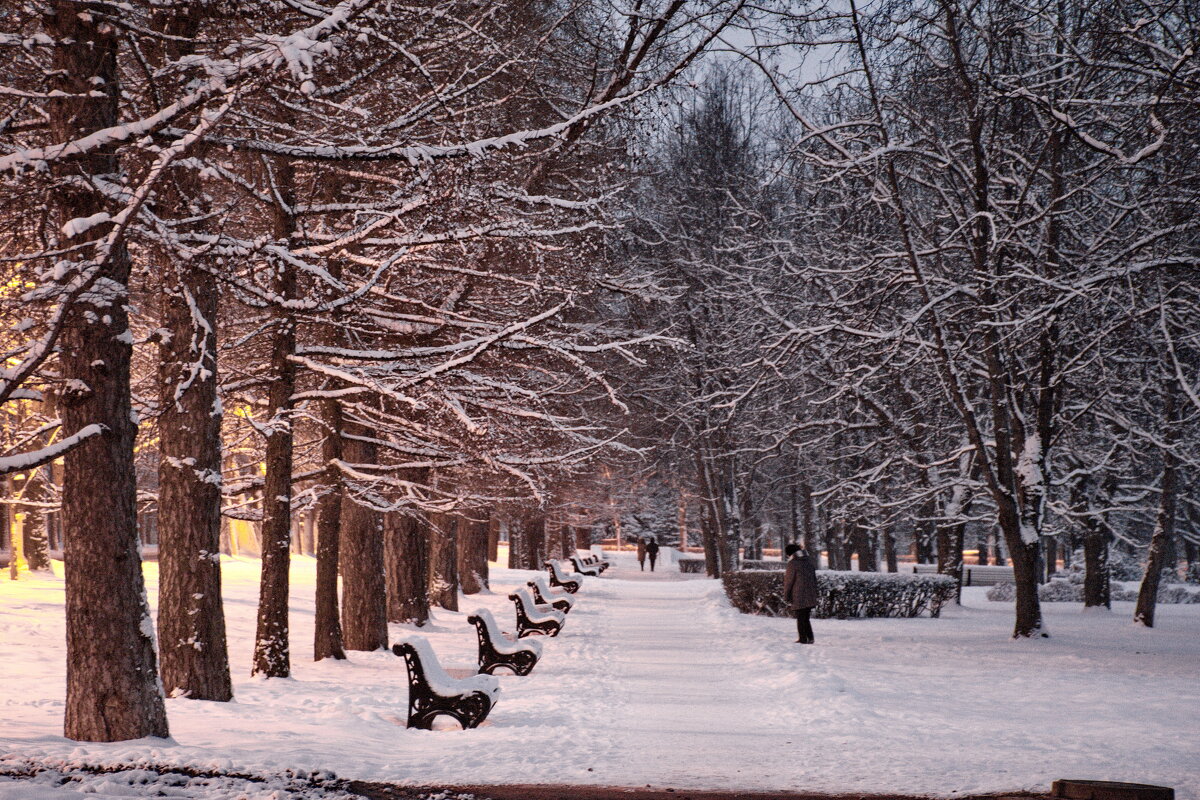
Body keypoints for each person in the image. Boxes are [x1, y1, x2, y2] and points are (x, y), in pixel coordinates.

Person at [783, 543, 818, 643]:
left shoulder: (793, 563)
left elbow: (789, 581)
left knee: (800, 617)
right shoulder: (809, 561)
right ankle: (810, 637)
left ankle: (803, 638)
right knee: (805, 617)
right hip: (810, 593)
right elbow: (814, 579)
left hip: (798, 594)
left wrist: (786, 596)